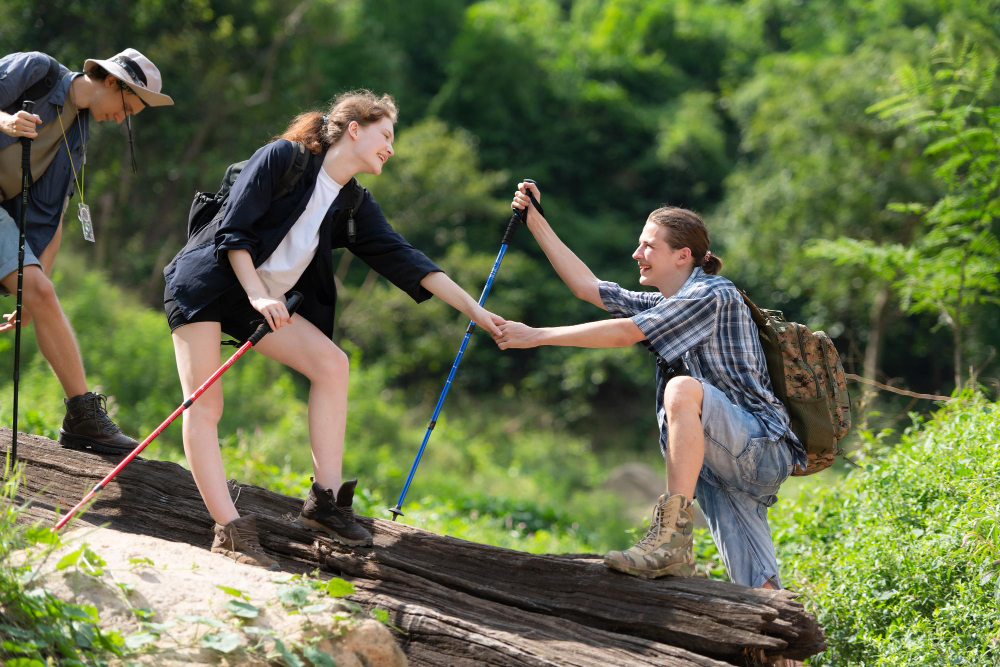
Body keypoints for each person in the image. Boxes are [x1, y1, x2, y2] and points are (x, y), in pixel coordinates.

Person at [163, 90, 506, 569]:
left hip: (260, 301)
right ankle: (231, 531)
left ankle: (324, 504)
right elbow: (233, 233)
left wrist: (477, 312)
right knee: (206, 404)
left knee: (332, 363)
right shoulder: (284, 158)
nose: (391, 147)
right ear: (354, 128)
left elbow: (408, 260)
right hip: (208, 282)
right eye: (386, 134)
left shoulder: (352, 204)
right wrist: (260, 295)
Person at [495, 183, 808, 590]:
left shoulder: (714, 293)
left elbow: (626, 332)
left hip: (759, 447)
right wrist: (534, 219)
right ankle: (780, 650)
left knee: (681, 390)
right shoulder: (666, 303)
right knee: (760, 594)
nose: (636, 254)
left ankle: (670, 540)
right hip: (721, 464)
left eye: (648, 246)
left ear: (682, 256)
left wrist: (534, 336)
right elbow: (587, 288)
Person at [0, 49, 173, 454]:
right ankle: (83, 418)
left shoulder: (78, 138)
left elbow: (53, 217)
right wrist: (5, 121)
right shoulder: (36, 70)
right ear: (112, 81)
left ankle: (82, 418)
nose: (122, 118)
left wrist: (34, 292)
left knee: (43, 293)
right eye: (126, 107)